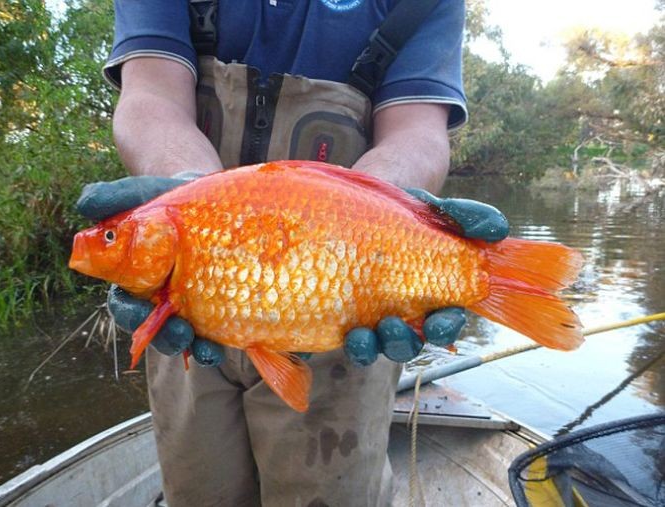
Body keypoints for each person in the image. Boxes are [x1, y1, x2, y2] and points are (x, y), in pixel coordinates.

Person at [77, 1, 509, 505]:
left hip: (341, 310)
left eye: (113, 239)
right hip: (189, 331)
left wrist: (382, 224)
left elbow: (417, 130)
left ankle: (491, 280)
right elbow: (151, 95)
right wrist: (185, 189)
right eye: (113, 238)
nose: (98, 244)